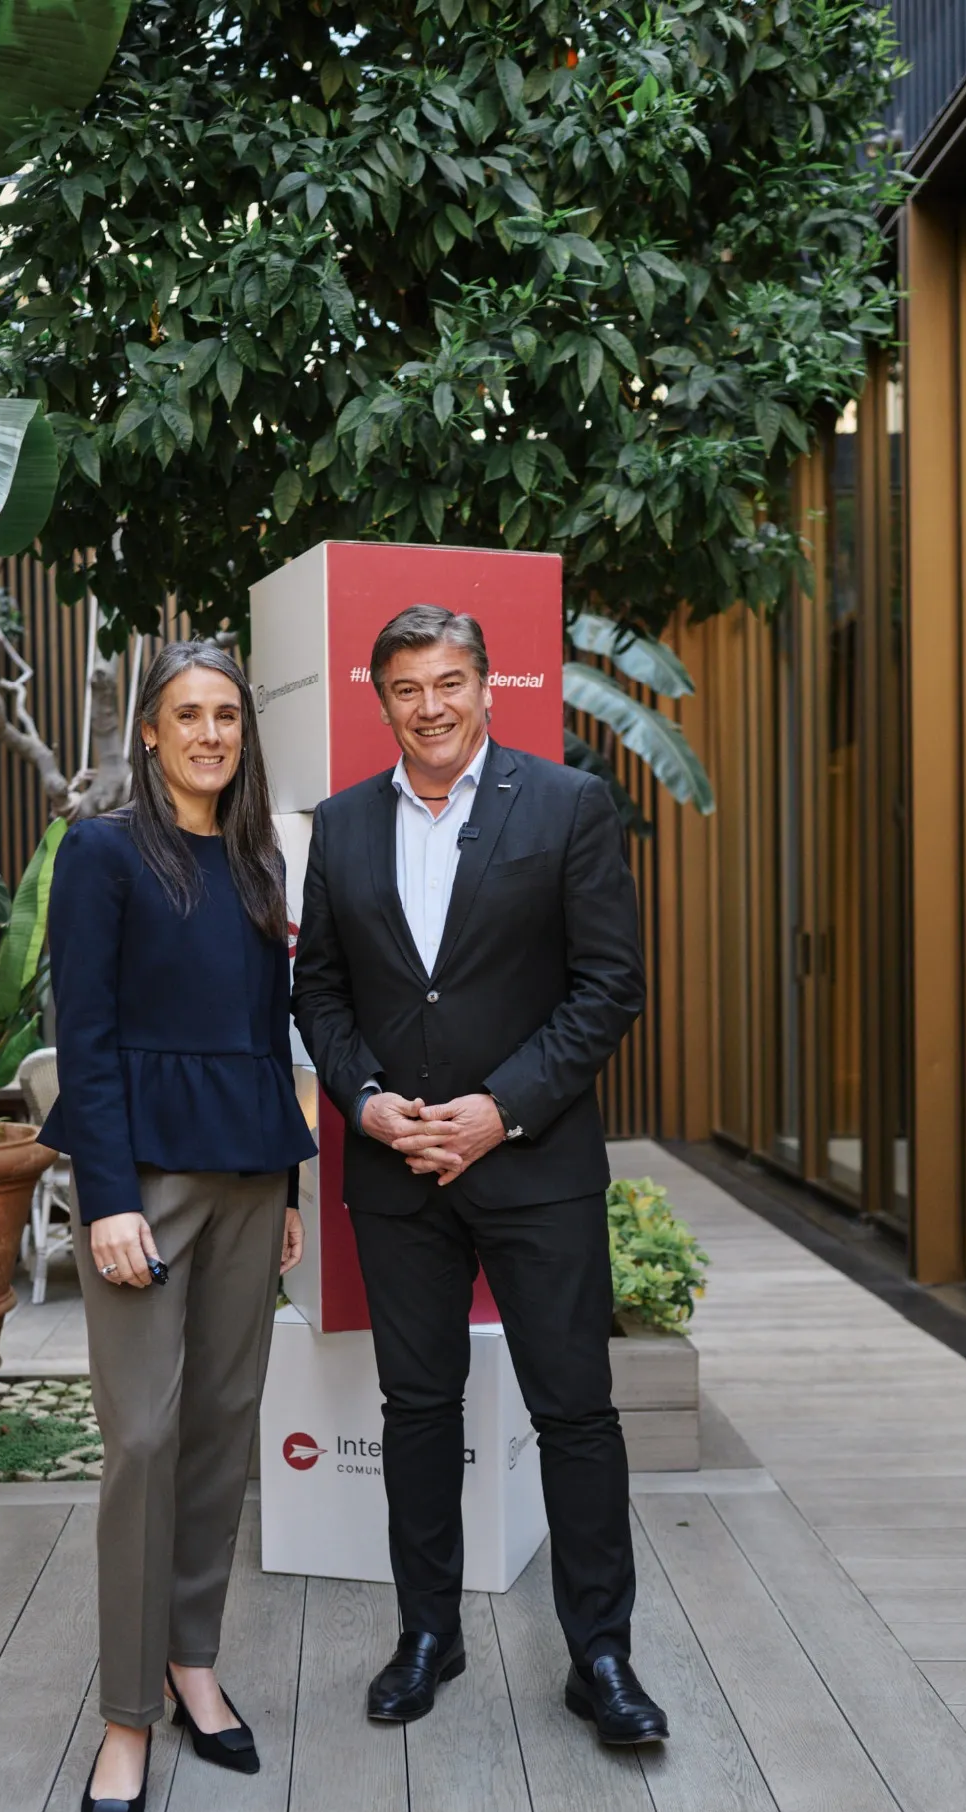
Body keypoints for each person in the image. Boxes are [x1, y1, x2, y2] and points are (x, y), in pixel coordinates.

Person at [292, 603, 668, 1747]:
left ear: (486, 684)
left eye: (449, 680)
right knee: (417, 1409)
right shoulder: (341, 825)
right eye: (406, 687)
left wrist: (499, 1109)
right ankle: (427, 1633)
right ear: (381, 700)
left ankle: (601, 1655)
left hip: (537, 1165)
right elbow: (319, 990)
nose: (431, 706)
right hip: (397, 1171)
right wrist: (364, 1100)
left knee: (576, 1410)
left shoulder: (566, 804)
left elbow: (608, 984)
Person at [41, 638, 316, 1812]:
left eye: (226, 715)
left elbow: (268, 1039)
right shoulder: (102, 852)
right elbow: (86, 1033)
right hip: (144, 1182)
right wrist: (107, 1195)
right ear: (148, 732)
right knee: (144, 1438)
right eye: (186, 714)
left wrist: (289, 1184)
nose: (209, 733)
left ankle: (192, 1659)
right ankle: (126, 1714)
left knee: (218, 1426)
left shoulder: (257, 861)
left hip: (252, 1175)